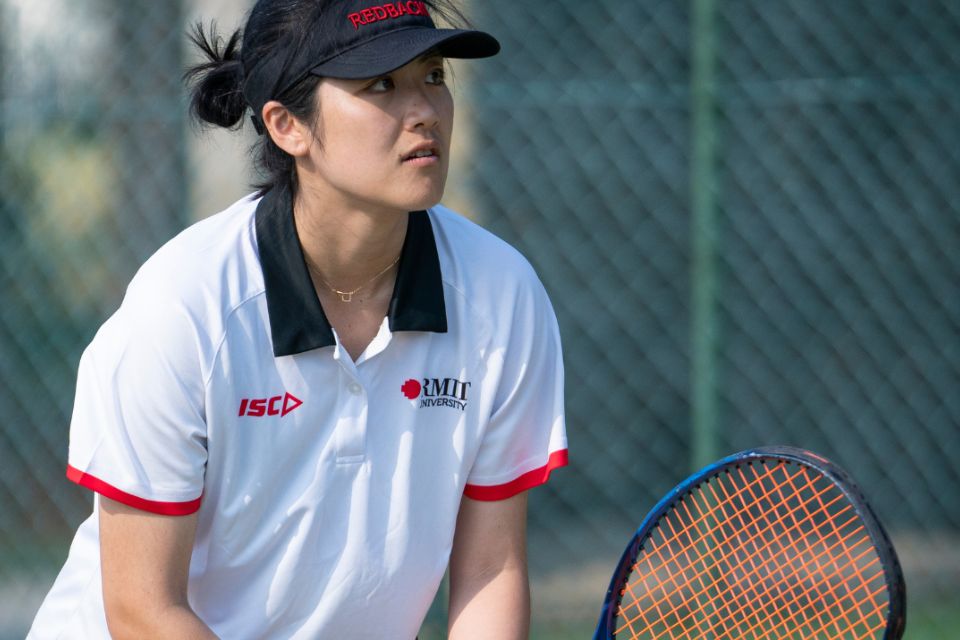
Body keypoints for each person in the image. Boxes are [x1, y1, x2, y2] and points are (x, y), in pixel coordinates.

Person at [28, 0, 567, 638]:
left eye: (433, 76)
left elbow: (490, 573)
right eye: (381, 84)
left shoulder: (502, 296)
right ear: (288, 126)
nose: (424, 109)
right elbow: (143, 610)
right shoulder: (182, 310)